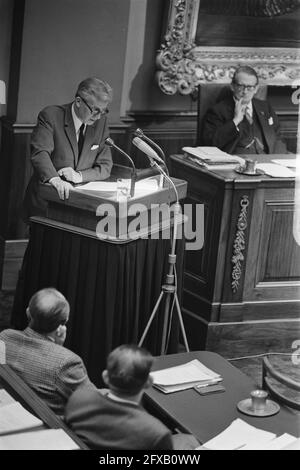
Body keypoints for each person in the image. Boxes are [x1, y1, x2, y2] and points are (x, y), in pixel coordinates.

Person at [65, 344, 199, 450]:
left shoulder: (78, 398)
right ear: (149, 382)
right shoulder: (156, 432)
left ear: (106, 377)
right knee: (190, 440)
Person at [23, 77, 113, 219]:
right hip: (47, 202)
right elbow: (40, 153)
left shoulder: (101, 123)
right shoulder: (51, 116)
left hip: (80, 207)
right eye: (95, 110)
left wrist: (79, 176)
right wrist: (55, 179)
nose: (98, 116)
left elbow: (105, 166)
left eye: (103, 111)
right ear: (78, 101)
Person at [0, 288, 95, 416]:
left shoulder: (5, 337)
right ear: (64, 323)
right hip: (51, 430)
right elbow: (94, 405)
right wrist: (58, 350)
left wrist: (56, 348)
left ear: (28, 312)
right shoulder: (68, 363)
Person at [201, 65, 288, 155]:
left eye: (250, 87)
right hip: (235, 162)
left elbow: (278, 138)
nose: (245, 91)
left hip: (265, 161)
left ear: (256, 89)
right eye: (241, 86)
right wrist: (235, 121)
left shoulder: (265, 108)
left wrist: (277, 160)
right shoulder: (217, 111)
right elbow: (211, 143)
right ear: (232, 86)